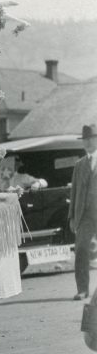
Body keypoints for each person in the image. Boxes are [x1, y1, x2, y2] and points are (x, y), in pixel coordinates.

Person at [68, 124, 97, 300]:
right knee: (81, 250)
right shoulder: (79, 165)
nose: (87, 142)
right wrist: (72, 217)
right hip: (84, 216)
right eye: (84, 139)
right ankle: (82, 289)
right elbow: (74, 192)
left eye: (90, 138)